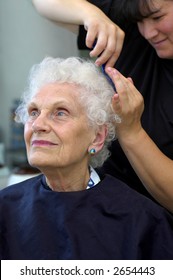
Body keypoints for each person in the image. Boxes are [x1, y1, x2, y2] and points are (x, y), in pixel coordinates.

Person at [1, 56, 173, 260]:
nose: (38, 125)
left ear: (97, 137)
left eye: (60, 113)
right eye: (34, 112)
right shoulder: (5, 210)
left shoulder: (144, 221)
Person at [31, 0, 173, 213]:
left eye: (157, 18)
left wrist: (131, 131)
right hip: (105, 211)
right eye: (140, 21)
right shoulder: (132, 31)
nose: (148, 32)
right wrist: (90, 14)